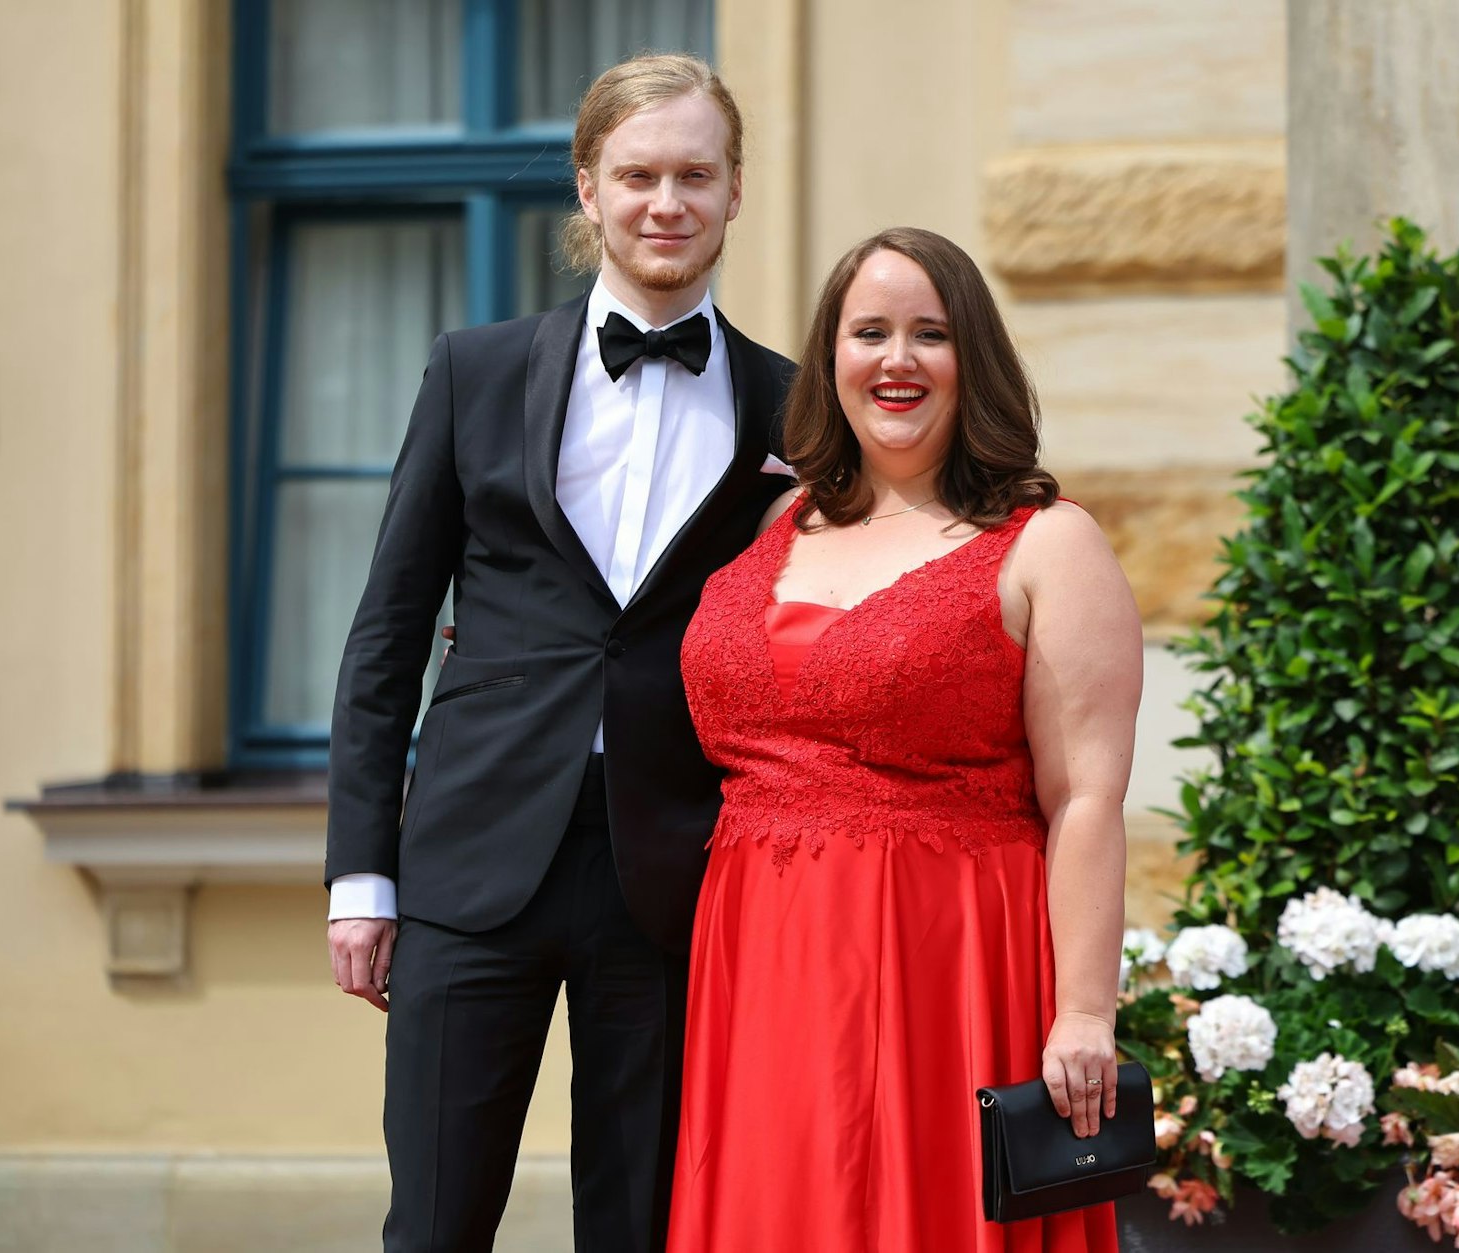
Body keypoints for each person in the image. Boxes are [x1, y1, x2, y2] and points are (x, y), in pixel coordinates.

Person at [323, 54, 796, 1253]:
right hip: (469, 863)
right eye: (637, 174)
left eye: (695, 173)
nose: (665, 202)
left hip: (676, 870)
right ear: (587, 188)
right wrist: (359, 877)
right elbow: (385, 636)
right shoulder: (470, 372)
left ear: (735, 192)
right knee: (432, 1223)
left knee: (641, 1225)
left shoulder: (791, 408)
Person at [665, 227, 1141, 1253]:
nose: (895, 359)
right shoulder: (778, 521)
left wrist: (1084, 1012)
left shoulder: (1046, 539)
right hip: (756, 959)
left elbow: (1087, 797)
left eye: (929, 333)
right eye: (868, 331)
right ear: (828, 355)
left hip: (945, 957)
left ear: (974, 359)